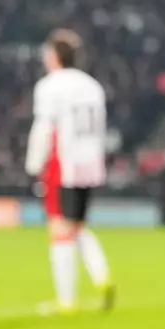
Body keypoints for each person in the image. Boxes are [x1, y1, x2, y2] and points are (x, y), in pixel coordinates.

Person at [25, 28, 113, 313]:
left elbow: (44, 128)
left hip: (63, 163)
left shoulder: (50, 86)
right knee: (78, 226)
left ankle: (66, 300)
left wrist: (34, 164)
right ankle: (102, 275)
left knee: (59, 230)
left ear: (55, 56)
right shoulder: (92, 86)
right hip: (90, 163)